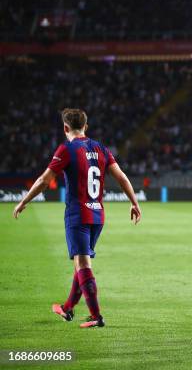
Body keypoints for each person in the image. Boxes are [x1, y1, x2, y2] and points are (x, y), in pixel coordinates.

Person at [13, 108, 142, 328]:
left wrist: (24, 201)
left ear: (65, 128)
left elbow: (45, 180)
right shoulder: (100, 148)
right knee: (81, 263)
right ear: (86, 126)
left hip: (77, 214)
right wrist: (134, 202)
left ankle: (96, 316)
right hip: (98, 215)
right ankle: (67, 308)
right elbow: (121, 177)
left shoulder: (66, 149)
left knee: (82, 263)